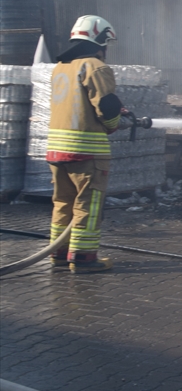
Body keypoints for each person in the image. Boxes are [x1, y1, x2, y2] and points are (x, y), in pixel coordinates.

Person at [46, 15, 126, 273]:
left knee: (62, 203)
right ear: (100, 41)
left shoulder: (61, 68)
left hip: (56, 150)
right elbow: (106, 106)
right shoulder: (95, 67)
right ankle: (83, 259)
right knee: (87, 205)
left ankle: (59, 254)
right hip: (86, 152)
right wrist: (114, 123)